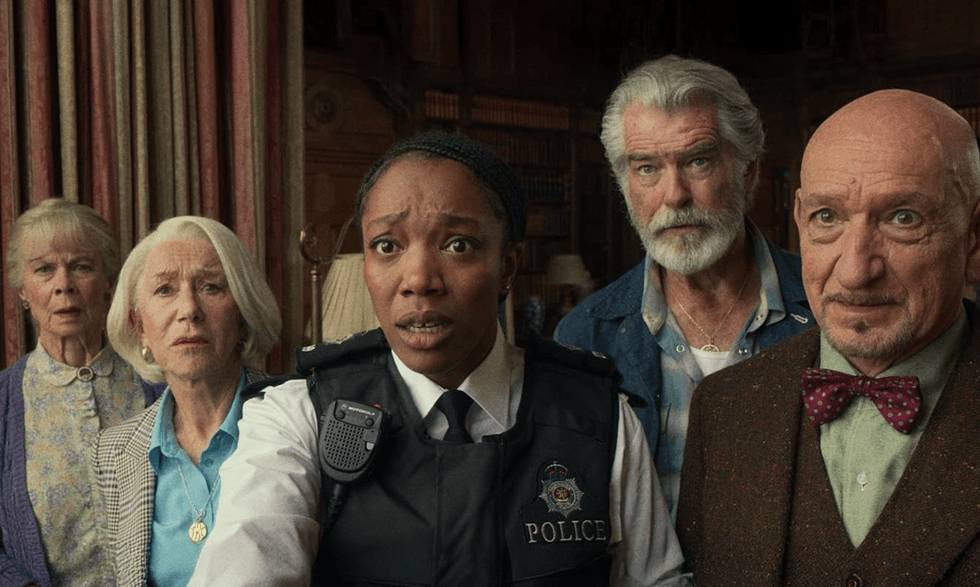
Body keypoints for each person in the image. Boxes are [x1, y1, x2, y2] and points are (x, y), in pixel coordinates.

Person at [189, 132, 690, 586]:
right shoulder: (299, 414)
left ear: (507, 266)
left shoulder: (595, 415)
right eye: (387, 246)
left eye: (458, 245)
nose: (418, 280)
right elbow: (247, 560)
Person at [676, 89, 980, 585]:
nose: (856, 271)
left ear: (974, 236)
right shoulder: (723, 409)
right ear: (799, 219)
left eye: (903, 218)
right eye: (827, 217)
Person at [553, 54, 813, 516]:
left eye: (698, 161)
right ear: (624, 185)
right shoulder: (583, 338)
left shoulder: (827, 309)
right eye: (647, 168)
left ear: (747, 172)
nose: (674, 195)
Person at [90, 216, 282, 586]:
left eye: (211, 287)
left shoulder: (297, 418)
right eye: (164, 290)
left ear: (242, 318)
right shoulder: (113, 452)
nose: (189, 309)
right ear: (139, 327)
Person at [0, 198, 160, 587]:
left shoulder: (161, 383)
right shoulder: (3, 403)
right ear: (22, 290)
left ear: (109, 283)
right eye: (44, 269)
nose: (63, 285)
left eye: (81, 267)